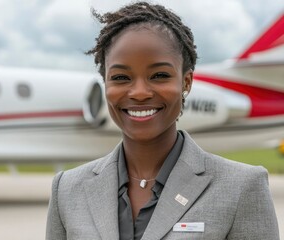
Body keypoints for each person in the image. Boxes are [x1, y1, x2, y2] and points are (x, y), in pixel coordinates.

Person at [46, 2, 279, 239]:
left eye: (159, 75)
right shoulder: (66, 189)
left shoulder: (242, 187)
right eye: (120, 77)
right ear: (105, 84)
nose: (139, 92)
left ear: (186, 82)